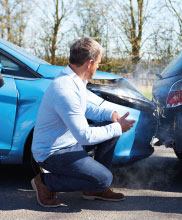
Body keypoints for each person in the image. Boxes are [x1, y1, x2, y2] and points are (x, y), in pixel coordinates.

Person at [31, 37, 135, 207]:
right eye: (98, 63)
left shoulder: (75, 80)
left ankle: (93, 188)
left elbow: (86, 108)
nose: (98, 67)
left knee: (110, 131)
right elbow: (85, 136)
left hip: (69, 142)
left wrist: (111, 115)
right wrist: (117, 127)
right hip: (52, 153)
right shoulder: (65, 89)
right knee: (104, 179)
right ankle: (45, 182)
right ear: (89, 63)